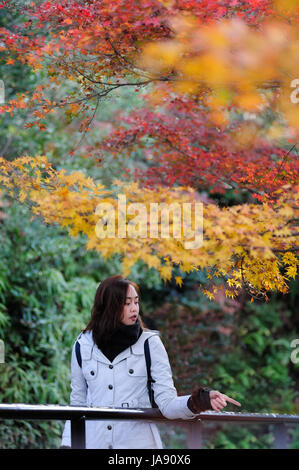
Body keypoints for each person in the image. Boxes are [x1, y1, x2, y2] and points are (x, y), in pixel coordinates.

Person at [60, 275, 241, 449]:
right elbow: (77, 402)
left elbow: (167, 403)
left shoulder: (150, 343)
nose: (134, 309)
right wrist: (68, 445)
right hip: (94, 444)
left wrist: (200, 400)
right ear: (109, 307)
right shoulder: (83, 344)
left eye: (136, 302)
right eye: (127, 303)